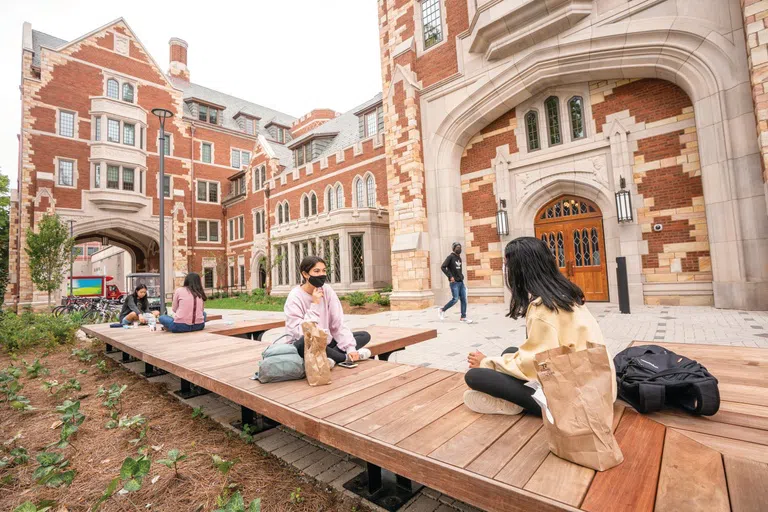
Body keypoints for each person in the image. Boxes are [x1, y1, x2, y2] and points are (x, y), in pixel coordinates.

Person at [463, 236, 616, 416]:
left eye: (507, 265)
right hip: (598, 386)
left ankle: (514, 402)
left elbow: (535, 364)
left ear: (519, 270)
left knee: (475, 376)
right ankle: (512, 400)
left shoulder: (543, 309)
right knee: (509, 352)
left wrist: (486, 361)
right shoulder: (565, 295)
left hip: (578, 404)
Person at [284, 256, 371, 367]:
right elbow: (299, 332)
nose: (321, 274)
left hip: (325, 342)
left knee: (363, 335)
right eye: (316, 271)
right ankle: (343, 358)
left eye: (324, 270)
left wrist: (350, 348)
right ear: (305, 274)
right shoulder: (295, 296)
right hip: (303, 345)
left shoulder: (327, 290)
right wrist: (314, 304)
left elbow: (337, 323)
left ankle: (330, 359)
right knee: (305, 341)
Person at [437, 242, 473, 323]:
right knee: (455, 299)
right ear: (453, 248)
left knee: (464, 299)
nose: (459, 248)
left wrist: (461, 276)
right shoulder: (450, 257)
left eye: (460, 247)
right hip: (454, 283)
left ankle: (463, 317)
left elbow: (459, 270)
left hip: (461, 282)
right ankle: (442, 310)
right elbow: (443, 267)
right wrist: (450, 276)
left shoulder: (459, 258)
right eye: (457, 247)